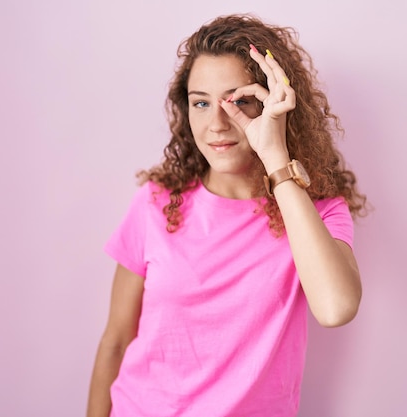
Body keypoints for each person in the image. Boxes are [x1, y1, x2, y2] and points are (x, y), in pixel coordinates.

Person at [87, 13, 367, 417]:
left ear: (273, 103)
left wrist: (275, 157)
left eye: (239, 102)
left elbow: (336, 307)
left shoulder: (315, 211)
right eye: (201, 102)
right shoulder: (156, 203)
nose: (216, 123)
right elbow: (115, 341)